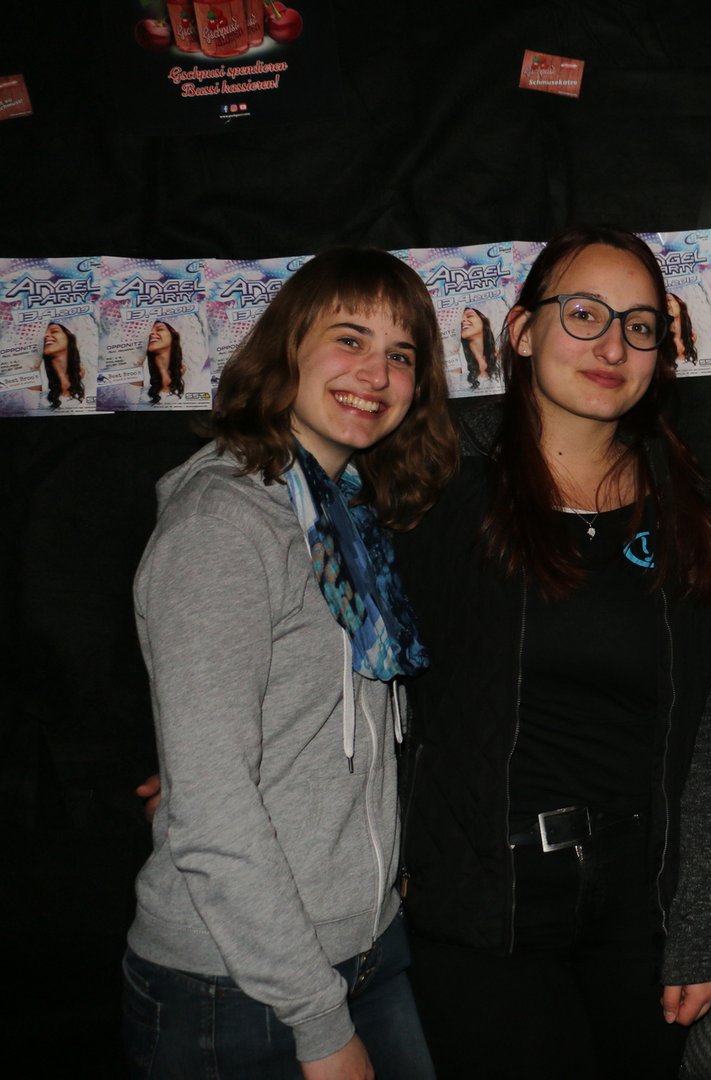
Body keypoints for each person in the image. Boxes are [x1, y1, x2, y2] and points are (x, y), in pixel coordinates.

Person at [395, 225, 711, 1078]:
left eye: (640, 326)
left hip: (637, 917)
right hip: (484, 906)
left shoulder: (690, 513)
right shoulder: (441, 494)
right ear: (521, 331)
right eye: (584, 313)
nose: (612, 346)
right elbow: (347, 656)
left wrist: (695, 926)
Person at [121, 246, 458, 1080]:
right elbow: (213, 811)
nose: (376, 373)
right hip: (238, 985)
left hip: (364, 949)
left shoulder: (345, 518)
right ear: (288, 349)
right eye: (350, 339)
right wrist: (317, 1020)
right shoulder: (225, 526)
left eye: (402, 354)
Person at [41, 320, 84, 408]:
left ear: (69, 338)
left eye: (54, 331)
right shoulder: (38, 379)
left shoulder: (85, 374)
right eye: (43, 334)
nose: (46, 335)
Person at [146, 320, 186, 405]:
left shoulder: (185, 372)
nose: (151, 333)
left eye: (159, 329)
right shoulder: (140, 373)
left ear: (173, 336)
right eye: (149, 331)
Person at [460, 306, 496, 389]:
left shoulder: (503, 357)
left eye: (469, 316)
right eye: (460, 320)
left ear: (483, 320)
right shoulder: (458, 365)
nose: (463, 320)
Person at [666, 291, 698, 366]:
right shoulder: (665, 340)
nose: (667, 304)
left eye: (669, 300)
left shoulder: (692, 336)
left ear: (679, 303)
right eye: (663, 304)